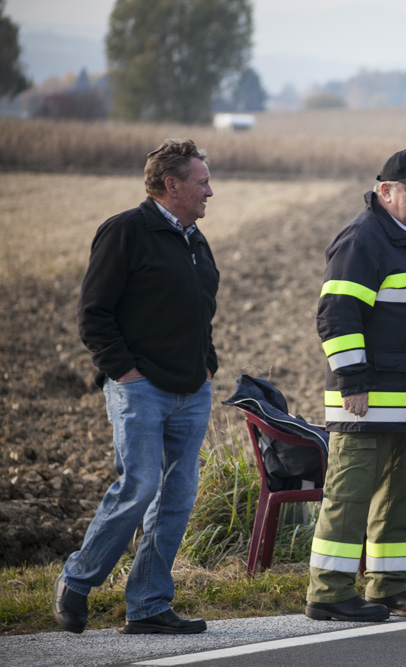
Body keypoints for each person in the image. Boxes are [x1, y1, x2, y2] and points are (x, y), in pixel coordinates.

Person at [54, 138, 218, 635]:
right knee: (140, 485)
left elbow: (200, 310)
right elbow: (93, 313)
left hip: (192, 390)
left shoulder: (194, 238)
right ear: (172, 185)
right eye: (202, 182)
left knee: (177, 498)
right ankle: (76, 580)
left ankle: (147, 604)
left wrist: (206, 365)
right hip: (140, 388)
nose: (210, 191)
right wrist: (124, 371)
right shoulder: (126, 230)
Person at [305, 150, 406, 623]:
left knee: (396, 499)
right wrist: (352, 381)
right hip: (365, 402)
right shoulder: (363, 239)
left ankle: (389, 587)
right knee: (348, 498)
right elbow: (336, 315)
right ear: (385, 191)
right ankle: (329, 592)